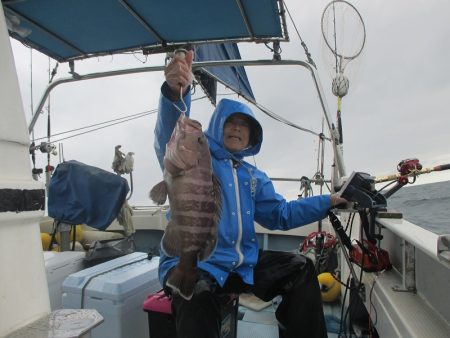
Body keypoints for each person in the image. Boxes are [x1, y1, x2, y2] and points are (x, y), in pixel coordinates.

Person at [154, 50, 346, 338]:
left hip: (243, 265)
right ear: (217, 126)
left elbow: (281, 216)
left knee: (301, 268)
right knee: (197, 294)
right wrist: (174, 92)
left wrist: (327, 202)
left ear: (252, 138)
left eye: (244, 127)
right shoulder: (195, 156)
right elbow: (168, 136)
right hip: (198, 263)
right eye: (230, 122)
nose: (236, 129)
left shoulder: (254, 177)